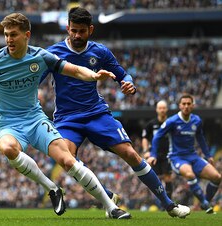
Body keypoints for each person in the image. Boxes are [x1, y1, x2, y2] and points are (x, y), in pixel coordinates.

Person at [0, 13, 131, 219]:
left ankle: (111, 207)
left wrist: (93, 75)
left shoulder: (40, 56)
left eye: (13, 35)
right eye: (6, 35)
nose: (9, 40)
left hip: (36, 119)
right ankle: (51, 188)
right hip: (8, 123)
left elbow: (74, 70)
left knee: (68, 161)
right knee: (7, 148)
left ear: (26, 35)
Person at [40, 7, 190, 218]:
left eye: (81, 31)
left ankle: (169, 204)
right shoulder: (52, 53)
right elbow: (34, 80)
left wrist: (129, 84)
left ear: (90, 30)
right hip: (67, 119)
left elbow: (123, 75)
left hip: (96, 114)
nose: (76, 35)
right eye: (73, 30)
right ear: (67, 28)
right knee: (66, 159)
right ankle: (108, 196)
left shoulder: (100, 52)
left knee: (130, 153)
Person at [149, 94, 221, 214]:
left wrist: (208, 155)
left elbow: (201, 138)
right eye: (184, 104)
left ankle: (205, 202)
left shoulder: (196, 120)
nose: (186, 106)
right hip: (177, 158)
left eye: (189, 104)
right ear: (179, 106)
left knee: (217, 177)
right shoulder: (172, 121)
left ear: (193, 105)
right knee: (190, 174)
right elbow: (157, 136)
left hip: (193, 156)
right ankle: (205, 203)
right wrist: (153, 154)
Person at [143, 100, 173, 201]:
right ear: (156, 110)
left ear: (167, 109)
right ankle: (153, 201)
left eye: (164, 108)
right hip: (153, 155)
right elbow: (145, 137)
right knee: (155, 178)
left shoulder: (171, 123)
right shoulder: (151, 124)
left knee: (168, 177)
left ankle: (169, 202)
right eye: (160, 108)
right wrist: (146, 150)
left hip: (167, 154)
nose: (162, 110)